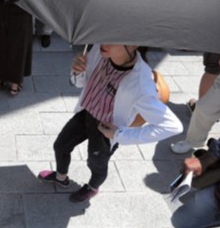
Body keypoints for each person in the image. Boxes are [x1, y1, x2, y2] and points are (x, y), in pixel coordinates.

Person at [38, 44, 183, 202]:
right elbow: (80, 83)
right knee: (61, 145)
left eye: (113, 38)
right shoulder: (98, 51)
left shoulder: (141, 83)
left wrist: (120, 134)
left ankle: (92, 187)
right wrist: (77, 71)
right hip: (86, 112)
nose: (104, 42)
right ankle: (61, 177)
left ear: (133, 44)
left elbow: (172, 126)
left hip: (106, 128)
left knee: (96, 163)